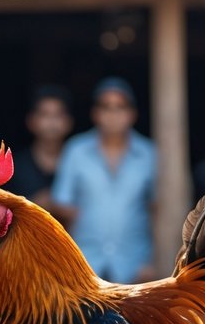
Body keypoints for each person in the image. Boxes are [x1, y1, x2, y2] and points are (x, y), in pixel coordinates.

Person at [50, 76, 157, 283]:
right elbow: (60, 204)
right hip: (84, 262)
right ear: (95, 114)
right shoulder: (76, 150)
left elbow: (158, 210)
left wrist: (153, 261)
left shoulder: (149, 154)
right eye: (106, 107)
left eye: (120, 107)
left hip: (135, 264)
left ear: (132, 114)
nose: (113, 114)